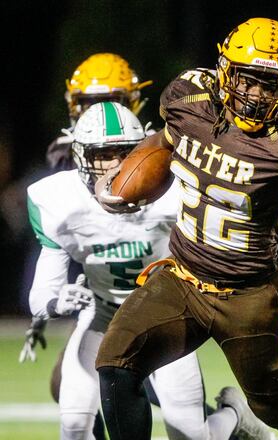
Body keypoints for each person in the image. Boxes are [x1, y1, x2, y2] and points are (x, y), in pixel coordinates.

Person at [92, 17, 278, 440]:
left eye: (272, 83)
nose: (259, 93)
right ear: (227, 71)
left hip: (249, 296)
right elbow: (165, 141)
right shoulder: (191, 99)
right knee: (116, 363)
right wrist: (122, 176)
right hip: (182, 279)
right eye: (250, 79)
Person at [27, 102, 263, 440]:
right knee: (74, 426)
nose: (112, 165)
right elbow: (41, 293)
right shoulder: (57, 201)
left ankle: (234, 417)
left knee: (190, 436)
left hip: (164, 319)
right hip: (103, 318)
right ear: (79, 156)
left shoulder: (177, 189)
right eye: (100, 155)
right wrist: (56, 301)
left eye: (123, 152)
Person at [19, 52, 154, 440]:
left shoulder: (151, 150)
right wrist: (48, 303)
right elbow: (61, 239)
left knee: (174, 400)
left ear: (133, 104)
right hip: (99, 295)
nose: (102, 110)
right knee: (70, 387)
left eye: (111, 99)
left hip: (155, 287)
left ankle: (226, 423)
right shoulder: (67, 156)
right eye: (90, 103)